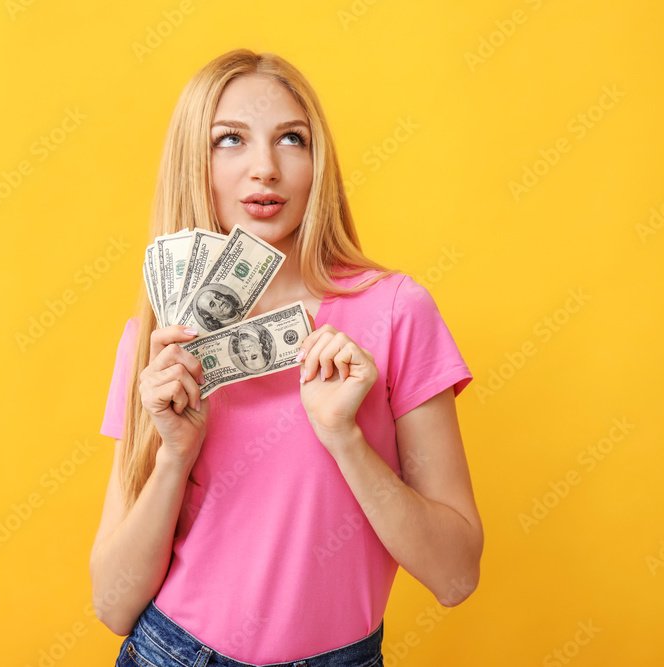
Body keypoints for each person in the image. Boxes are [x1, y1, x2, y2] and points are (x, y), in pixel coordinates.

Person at [90, 48, 484, 667]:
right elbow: (113, 605)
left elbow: (456, 576)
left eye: (291, 139)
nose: (264, 169)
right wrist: (174, 456)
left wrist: (345, 437)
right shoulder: (157, 341)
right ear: (195, 162)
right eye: (229, 140)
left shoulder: (395, 312)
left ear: (317, 162)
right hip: (172, 653)